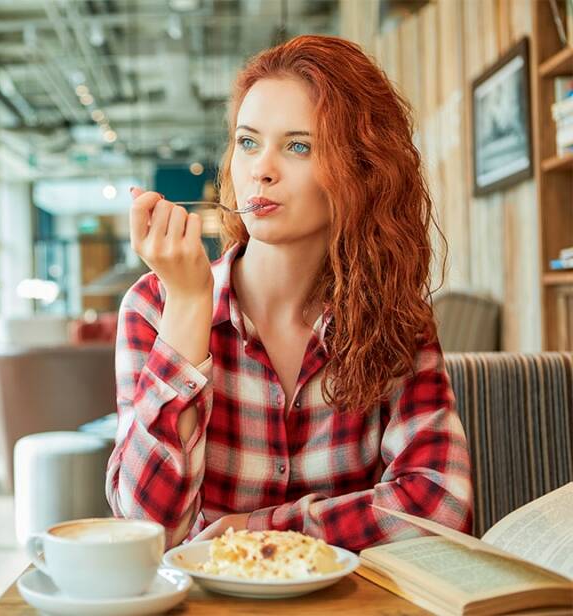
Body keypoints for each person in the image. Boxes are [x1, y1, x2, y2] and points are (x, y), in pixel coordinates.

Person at [105, 34, 473, 551]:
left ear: (361, 171)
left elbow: (442, 501)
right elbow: (148, 529)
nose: (261, 169)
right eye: (248, 142)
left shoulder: (395, 319)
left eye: (298, 146)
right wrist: (189, 305)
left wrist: (261, 531)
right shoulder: (153, 305)